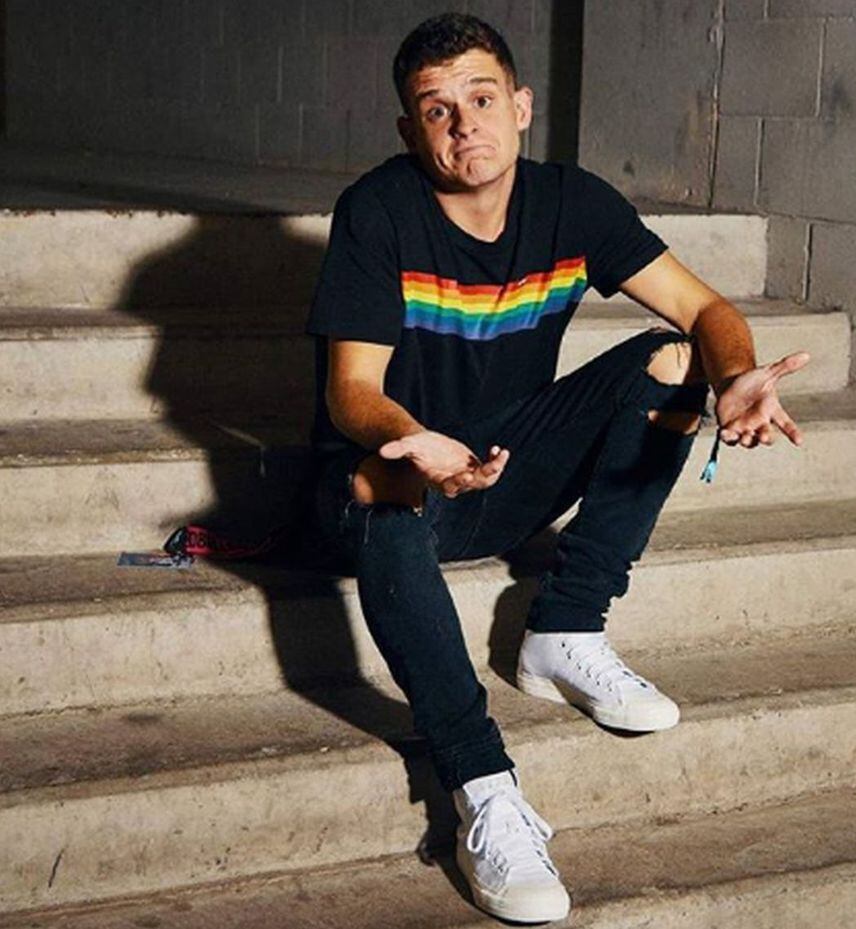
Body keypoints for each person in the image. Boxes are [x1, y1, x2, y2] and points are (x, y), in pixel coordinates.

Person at [307, 12, 809, 924]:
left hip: (502, 470)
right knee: (384, 482)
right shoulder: (378, 211)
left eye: (482, 98)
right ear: (411, 130)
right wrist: (413, 439)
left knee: (673, 359)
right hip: (394, 487)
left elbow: (705, 310)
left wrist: (735, 374)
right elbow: (352, 391)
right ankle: (482, 786)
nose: (465, 124)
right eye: (438, 109)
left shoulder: (572, 203)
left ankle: (566, 627)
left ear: (522, 107)